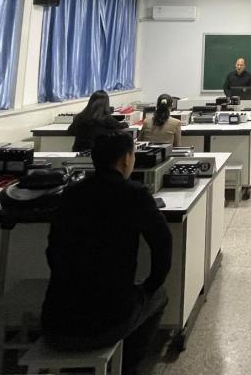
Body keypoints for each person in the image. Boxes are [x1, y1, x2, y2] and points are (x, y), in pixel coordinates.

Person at [42, 131, 172, 375]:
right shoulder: (135, 194)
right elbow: (163, 243)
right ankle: (128, 366)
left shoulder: (71, 194)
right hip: (109, 321)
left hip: (55, 322)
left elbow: (52, 251)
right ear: (126, 159)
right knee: (159, 295)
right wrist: (149, 286)